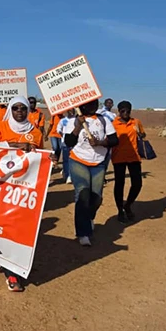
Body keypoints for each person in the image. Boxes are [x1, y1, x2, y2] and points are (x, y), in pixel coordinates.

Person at [0, 97, 45, 292]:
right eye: (16, 108)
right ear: (10, 110)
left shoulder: (35, 132)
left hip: (24, 188)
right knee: (1, 224)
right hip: (1, 185)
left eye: (23, 108)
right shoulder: (1, 127)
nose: (19, 111)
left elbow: (41, 156)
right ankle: (1, 260)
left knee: (17, 227)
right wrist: (15, 145)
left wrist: (49, 158)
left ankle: (12, 271)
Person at [64, 99, 118, 247]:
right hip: (78, 161)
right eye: (89, 104)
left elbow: (114, 140)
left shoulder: (104, 120)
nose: (93, 106)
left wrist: (99, 142)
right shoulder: (73, 121)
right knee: (83, 194)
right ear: (82, 106)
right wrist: (78, 126)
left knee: (96, 198)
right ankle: (83, 233)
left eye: (95, 103)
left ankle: (89, 217)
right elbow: (68, 142)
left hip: (98, 163)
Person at [111, 101, 145, 224]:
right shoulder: (113, 124)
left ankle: (128, 204)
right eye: (123, 111)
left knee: (137, 184)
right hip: (118, 158)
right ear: (118, 111)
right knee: (119, 184)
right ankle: (120, 210)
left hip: (134, 157)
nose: (125, 113)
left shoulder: (136, 122)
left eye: (128, 111)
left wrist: (140, 133)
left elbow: (143, 134)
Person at [55, 110, 78, 184]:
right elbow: (58, 129)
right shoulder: (63, 120)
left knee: (72, 159)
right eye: (70, 111)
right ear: (67, 111)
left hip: (74, 143)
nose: (71, 112)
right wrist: (62, 134)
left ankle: (70, 176)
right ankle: (66, 174)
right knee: (66, 160)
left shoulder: (76, 120)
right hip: (65, 142)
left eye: (72, 110)